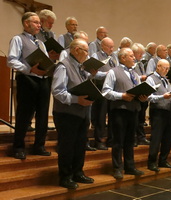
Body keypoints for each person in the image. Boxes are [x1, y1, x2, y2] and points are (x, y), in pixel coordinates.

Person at [52, 39, 97, 189]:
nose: (88, 54)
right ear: (76, 50)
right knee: (67, 146)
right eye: (86, 51)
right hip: (67, 113)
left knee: (79, 145)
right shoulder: (63, 66)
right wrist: (77, 99)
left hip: (81, 113)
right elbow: (58, 91)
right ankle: (65, 176)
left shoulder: (81, 68)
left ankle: (78, 172)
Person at [7, 12, 51, 160]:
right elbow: (11, 61)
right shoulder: (18, 39)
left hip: (43, 80)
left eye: (40, 23)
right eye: (36, 22)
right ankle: (18, 147)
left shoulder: (40, 43)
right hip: (27, 79)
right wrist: (29, 69)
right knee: (24, 115)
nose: (40, 25)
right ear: (26, 24)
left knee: (43, 115)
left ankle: (39, 145)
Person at [102, 48, 147, 179]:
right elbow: (106, 91)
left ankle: (130, 166)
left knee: (130, 140)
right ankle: (117, 168)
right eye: (131, 56)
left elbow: (138, 90)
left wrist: (142, 97)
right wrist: (122, 95)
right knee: (118, 141)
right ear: (123, 58)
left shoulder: (135, 74)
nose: (134, 58)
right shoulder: (113, 72)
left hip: (134, 110)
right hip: (119, 111)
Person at [90, 37, 119, 150]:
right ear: (102, 46)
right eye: (109, 46)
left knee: (113, 115)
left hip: (113, 89)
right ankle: (99, 140)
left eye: (113, 47)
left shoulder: (114, 57)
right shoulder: (96, 56)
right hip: (101, 88)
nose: (112, 49)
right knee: (100, 116)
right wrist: (107, 74)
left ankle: (111, 139)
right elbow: (93, 74)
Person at [146, 59, 171, 172]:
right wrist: (163, 97)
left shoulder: (166, 81)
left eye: (168, 68)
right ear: (158, 66)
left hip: (168, 111)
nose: (166, 70)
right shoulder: (151, 79)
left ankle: (163, 160)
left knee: (167, 138)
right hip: (158, 111)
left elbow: (169, 95)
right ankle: (152, 162)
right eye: (164, 68)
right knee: (156, 138)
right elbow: (149, 97)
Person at [132, 43, 150, 145]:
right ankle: (134, 137)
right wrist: (141, 77)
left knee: (141, 118)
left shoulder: (140, 64)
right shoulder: (131, 63)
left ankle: (141, 137)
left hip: (142, 93)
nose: (142, 55)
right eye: (140, 53)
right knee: (135, 118)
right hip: (135, 94)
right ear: (134, 53)